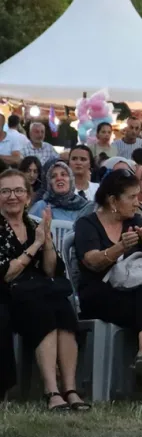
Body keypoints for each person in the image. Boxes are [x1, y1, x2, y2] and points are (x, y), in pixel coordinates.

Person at [74, 170, 142, 399]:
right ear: (113, 200)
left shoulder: (134, 220)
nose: (137, 202)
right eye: (132, 197)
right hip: (97, 293)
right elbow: (92, 261)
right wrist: (120, 248)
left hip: (129, 290)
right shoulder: (87, 224)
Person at [0, 172, 85, 410]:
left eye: (18, 191)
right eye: (5, 191)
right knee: (43, 309)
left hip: (38, 290)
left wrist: (46, 241)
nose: (12, 196)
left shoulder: (34, 225)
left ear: (28, 197)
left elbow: (50, 270)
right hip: (8, 294)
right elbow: (6, 274)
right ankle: (51, 390)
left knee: (63, 310)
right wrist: (36, 244)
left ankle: (70, 389)